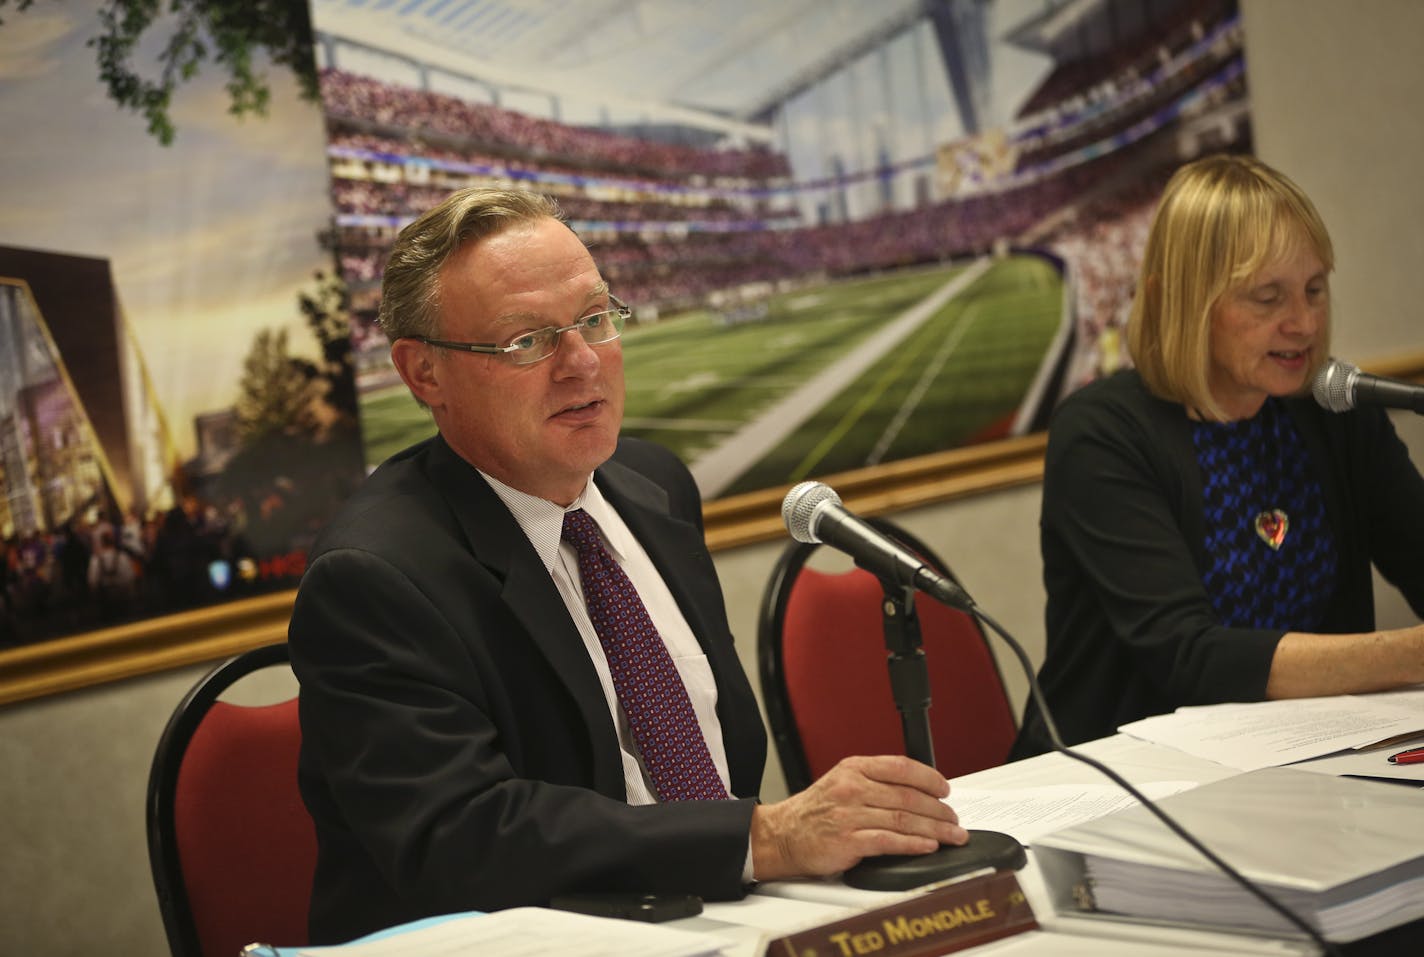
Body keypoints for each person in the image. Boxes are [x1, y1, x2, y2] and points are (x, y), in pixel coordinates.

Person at [288, 186, 967, 944]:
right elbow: (462, 835)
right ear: (424, 375)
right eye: (526, 341)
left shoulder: (655, 489)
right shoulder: (375, 576)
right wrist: (763, 838)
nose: (582, 363)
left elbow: (718, 760)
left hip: (715, 919)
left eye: (594, 319)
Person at [1012, 154, 1424, 758]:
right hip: (1120, 782)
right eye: (1267, 298)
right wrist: (1410, 654)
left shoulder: (1336, 412)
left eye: (1315, 289)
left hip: (1310, 760)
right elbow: (1190, 656)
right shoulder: (1102, 434)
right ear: (1182, 301)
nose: (1304, 323)